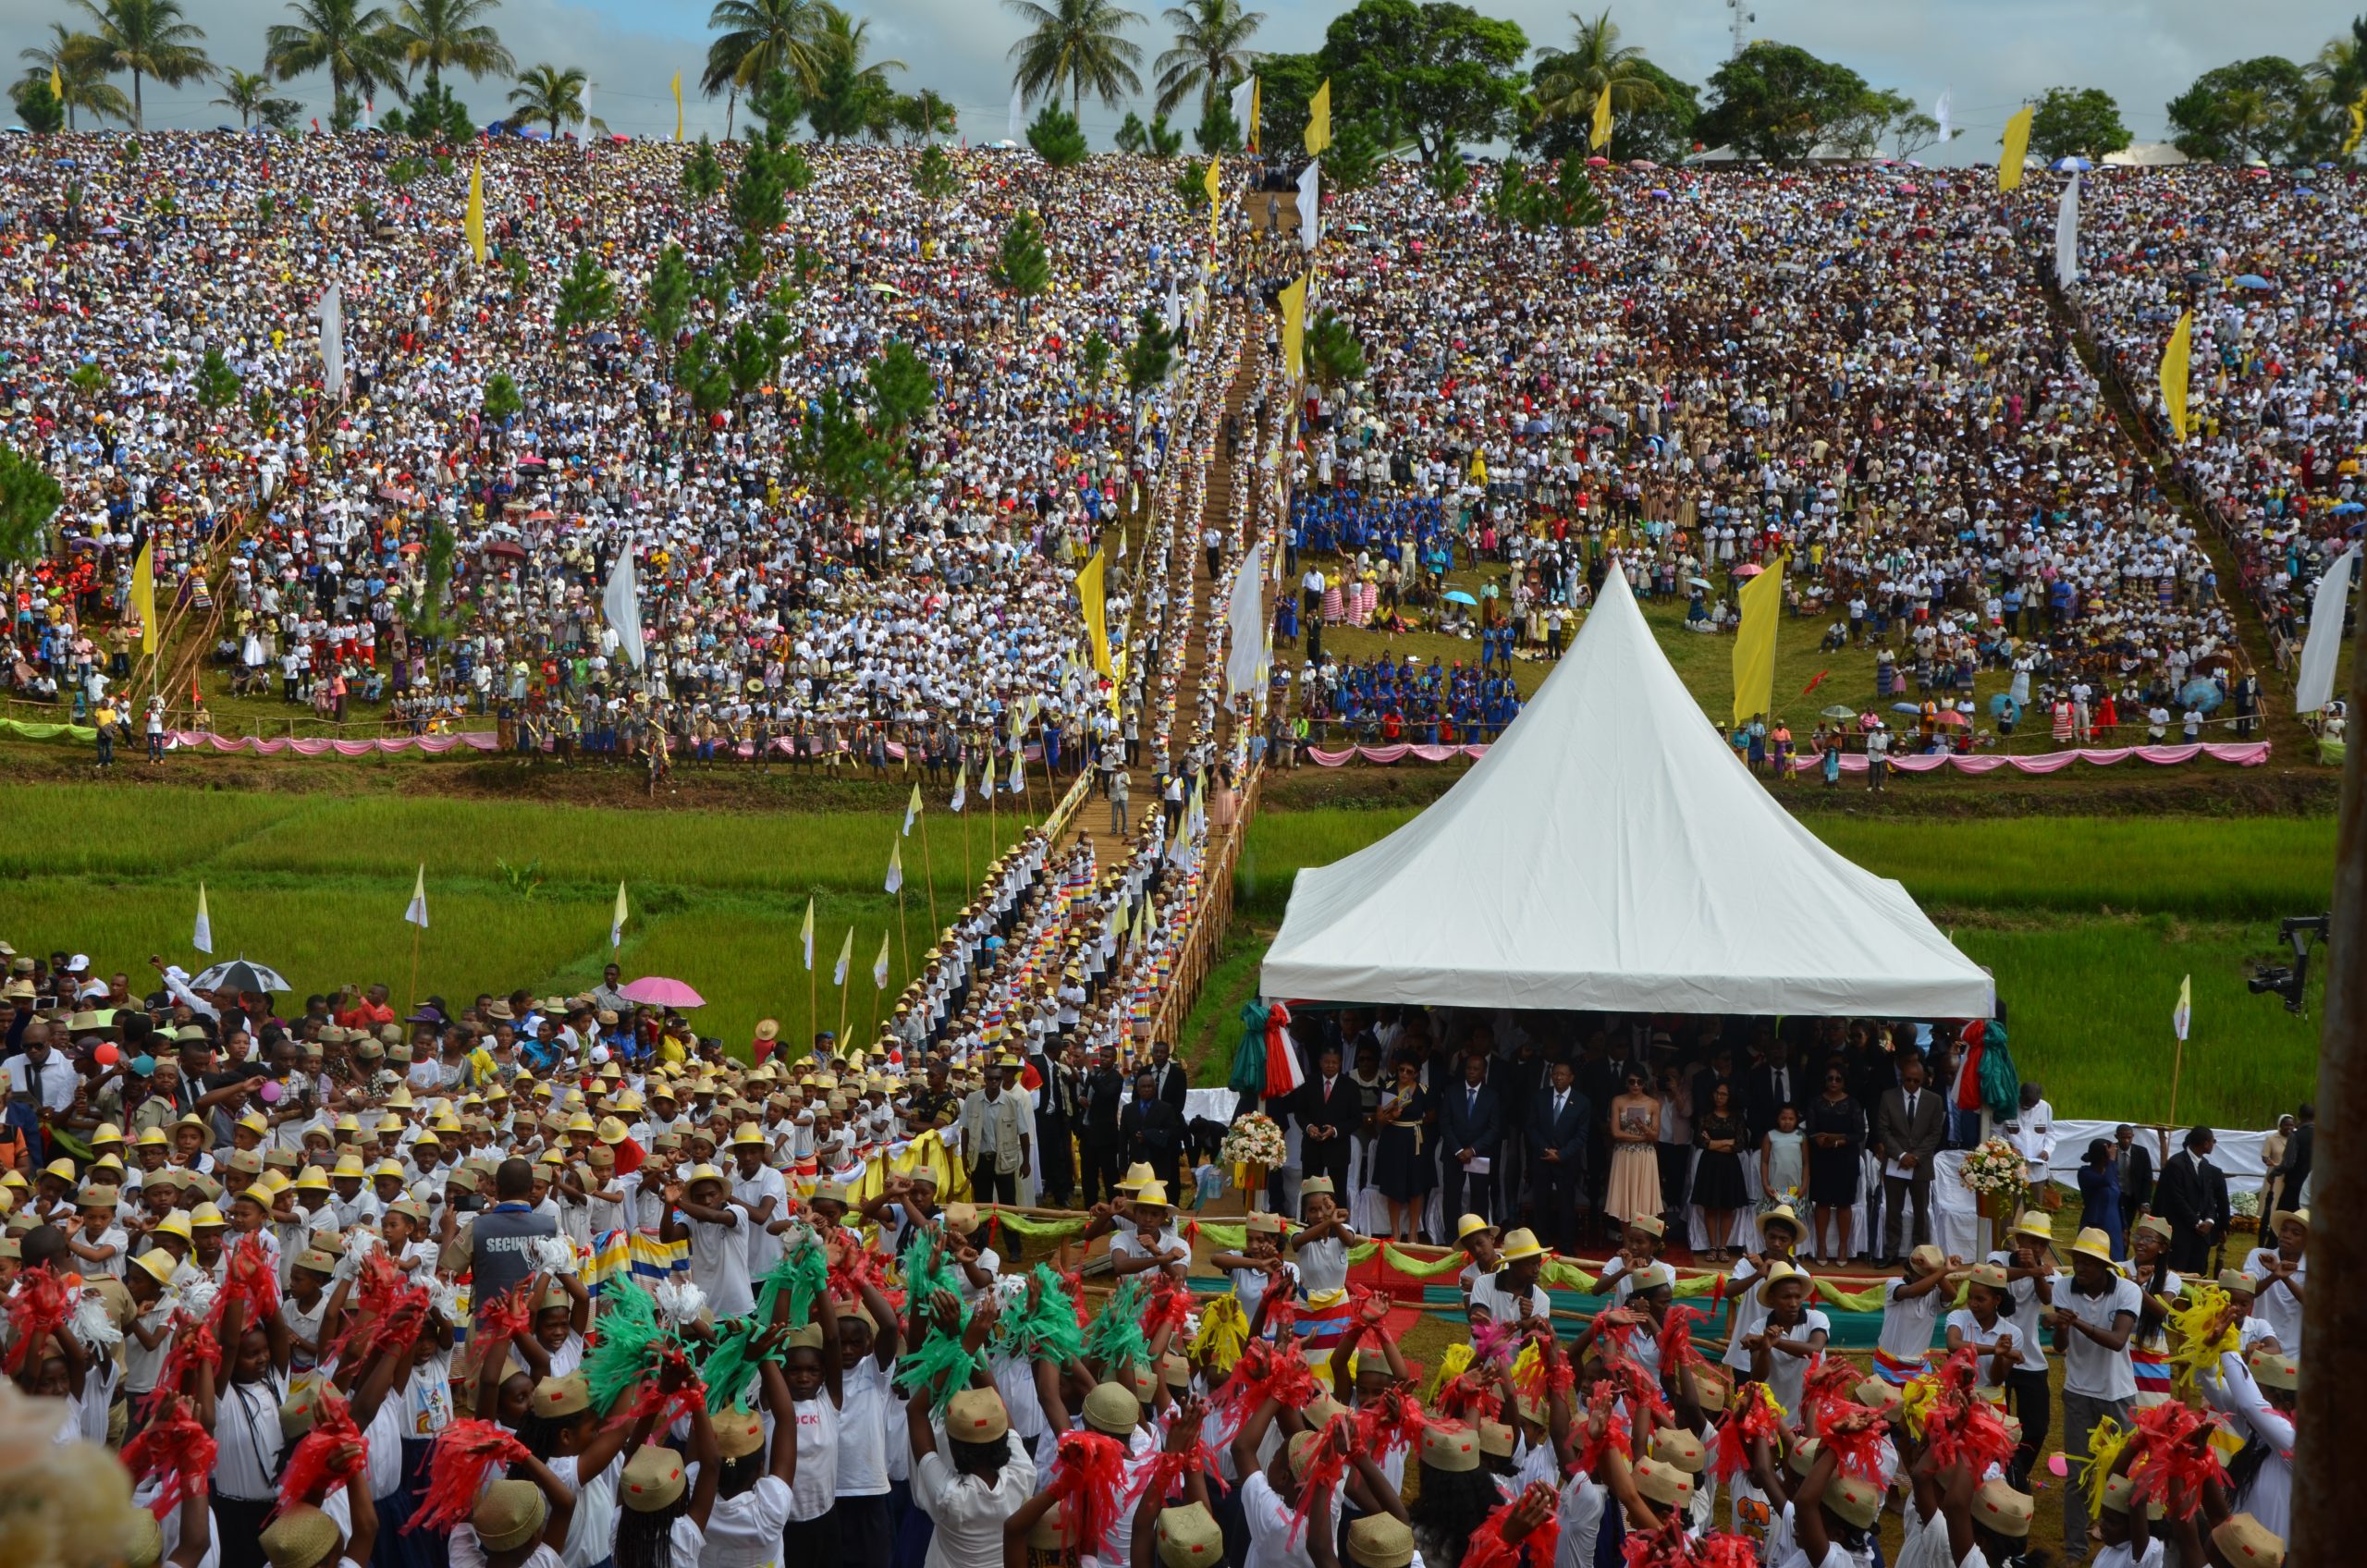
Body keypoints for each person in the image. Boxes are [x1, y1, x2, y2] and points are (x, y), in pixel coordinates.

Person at [2052, 1227, 2141, 1565]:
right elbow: (2060, 1347)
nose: (2080, 1267)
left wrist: (2075, 1323)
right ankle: (2075, 1551)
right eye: (2077, 1260)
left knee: (2122, 1475)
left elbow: (2118, 1340)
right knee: (2078, 1475)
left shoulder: (2128, 1291)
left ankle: (2128, 1547)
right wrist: (2061, 1327)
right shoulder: (2063, 1287)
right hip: (2077, 1392)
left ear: (2104, 1265)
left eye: (2088, 1262)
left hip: (2118, 1393)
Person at [1873, 1055, 1944, 1264]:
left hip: (1921, 1165)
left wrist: (1917, 1156)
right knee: (1893, 1210)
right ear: (1902, 1078)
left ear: (1924, 1080)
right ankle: (1890, 1253)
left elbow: (1935, 1133)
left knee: (1921, 1212)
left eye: (1916, 1080)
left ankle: (1920, 1256)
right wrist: (1902, 1155)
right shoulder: (1888, 1097)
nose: (1911, 1084)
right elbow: (1883, 1129)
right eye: (1908, 1080)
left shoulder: (1934, 1100)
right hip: (1896, 1162)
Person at [1802, 1067, 1864, 1269]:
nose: (1834, 1082)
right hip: (1822, 1158)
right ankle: (1821, 1247)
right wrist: (1819, 1139)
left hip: (1846, 1158)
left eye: (1838, 1078)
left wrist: (1837, 1141)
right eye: (1830, 1078)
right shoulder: (1815, 1102)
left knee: (1844, 1203)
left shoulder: (1853, 1104)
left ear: (1844, 1081)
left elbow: (1859, 1134)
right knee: (1822, 1202)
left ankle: (1843, 1248)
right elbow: (1810, 1130)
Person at [2155, 1126, 2230, 1274]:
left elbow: (2209, 1197)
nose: (2213, 1144)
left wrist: (2210, 1220)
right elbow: (2177, 1199)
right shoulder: (2176, 1164)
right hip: (2181, 1231)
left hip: (2202, 1234)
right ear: (2204, 1143)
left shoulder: (2205, 1166)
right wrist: (2196, 1222)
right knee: (2178, 1273)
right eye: (2212, 1141)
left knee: (2198, 1273)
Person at [2079, 1137, 2127, 1261]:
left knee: (2116, 1257)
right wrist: (2111, 1160)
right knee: (2097, 1257)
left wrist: (2124, 1227)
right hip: (2097, 1223)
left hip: (2114, 1224)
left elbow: (2118, 1201)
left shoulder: (2110, 1172)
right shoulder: (2085, 1173)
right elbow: (2105, 1181)